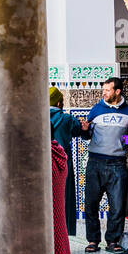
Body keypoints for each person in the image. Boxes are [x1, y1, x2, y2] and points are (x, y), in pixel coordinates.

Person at [82, 76, 128, 253]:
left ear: (117, 91)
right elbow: (87, 134)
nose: (103, 93)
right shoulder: (96, 109)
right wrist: (84, 130)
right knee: (90, 204)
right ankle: (93, 240)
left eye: (107, 90)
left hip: (117, 164)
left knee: (118, 206)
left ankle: (113, 241)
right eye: (103, 90)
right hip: (95, 162)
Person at [49, 86, 89, 236]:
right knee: (64, 197)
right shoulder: (66, 118)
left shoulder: (36, 117)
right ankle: (64, 232)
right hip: (62, 161)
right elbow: (81, 131)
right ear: (60, 103)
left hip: (42, 162)